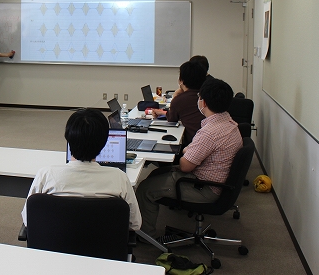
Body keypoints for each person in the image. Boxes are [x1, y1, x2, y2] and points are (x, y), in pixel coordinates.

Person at [136, 78, 242, 239]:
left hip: (205, 188)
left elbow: (185, 166)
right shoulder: (229, 123)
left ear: (203, 103)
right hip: (219, 183)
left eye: (199, 97)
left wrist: (187, 151)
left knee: (145, 189)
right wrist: (189, 150)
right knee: (156, 174)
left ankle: (145, 237)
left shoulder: (210, 132)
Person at [21, 108, 141, 230]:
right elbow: (135, 224)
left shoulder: (46, 175)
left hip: (54, 242)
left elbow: (28, 219)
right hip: (105, 242)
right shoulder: (119, 178)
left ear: (68, 138)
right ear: (105, 142)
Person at [152, 60, 207, 146]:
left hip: (193, 144)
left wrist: (176, 95)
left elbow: (172, 119)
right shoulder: (207, 95)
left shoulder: (180, 100)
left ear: (181, 80)